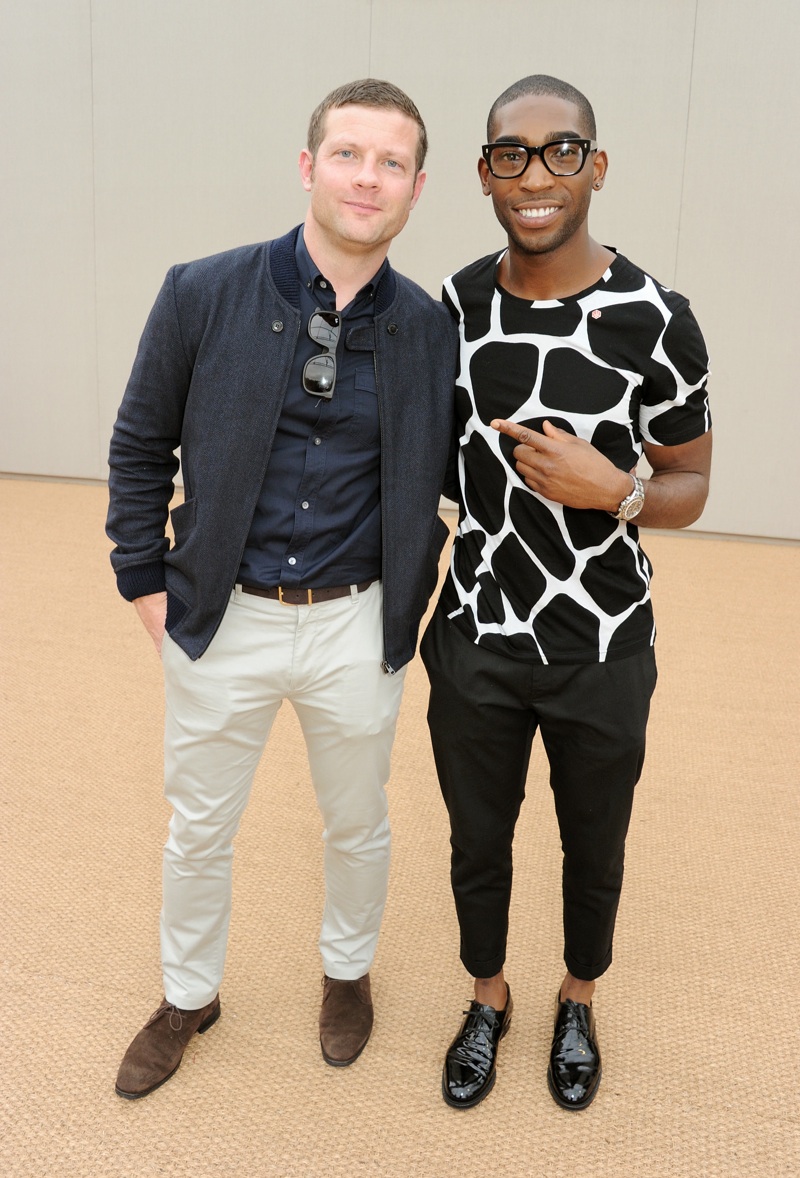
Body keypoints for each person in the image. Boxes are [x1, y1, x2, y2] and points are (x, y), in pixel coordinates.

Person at [106, 78, 456, 1099]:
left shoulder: (430, 333)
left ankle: (345, 973)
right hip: (220, 619)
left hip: (356, 623)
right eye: (348, 155)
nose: (367, 178)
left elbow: (450, 478)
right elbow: (138, 445)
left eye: (390, 163)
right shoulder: (200, 291)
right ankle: (187, 993)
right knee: (199, 824)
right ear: (308, 167)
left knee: (358, 821)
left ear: (415, 188)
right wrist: (143, 580)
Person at [422, 74, 712, 1112]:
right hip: (474, 638)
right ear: (484, 173)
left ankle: (576, 995)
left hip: (602, 646)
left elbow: (689, 482)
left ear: (594, 166)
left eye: (558, 151)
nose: (533, 174)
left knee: (593, 842)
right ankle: (487, 995)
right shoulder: (450, 307)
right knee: (475, 839)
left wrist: (620, 488)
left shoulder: (653, 317)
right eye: (510, 153)